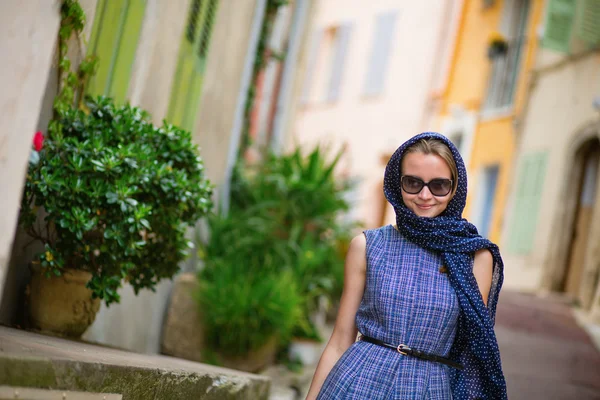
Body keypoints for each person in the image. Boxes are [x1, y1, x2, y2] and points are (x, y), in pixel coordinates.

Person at [306, 132, 507, 399]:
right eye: (413, 182)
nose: (425, 195)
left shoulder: (477, 257)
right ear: (396, 184)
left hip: (430, 389)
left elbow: (472, 354)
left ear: (455, 188)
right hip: (356, 382)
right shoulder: (367, 246)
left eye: (439, 185)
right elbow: (340, 341)